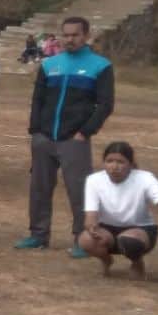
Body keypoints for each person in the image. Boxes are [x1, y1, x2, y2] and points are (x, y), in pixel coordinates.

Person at [17, 16, 115, 256]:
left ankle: (82, 238)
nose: (70, 39)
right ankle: (38, 235)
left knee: (79, 189)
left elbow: (105, 105)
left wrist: (84, 132)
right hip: (44, 138)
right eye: (66, 35)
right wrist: (36, 131)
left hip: (74, 139)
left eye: (75, 35)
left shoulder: (100, 66)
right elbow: (38, 100)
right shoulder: (50, 64)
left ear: (86, 36)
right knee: (39, 187)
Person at [77, 141, 158, 279]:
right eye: (109, 161)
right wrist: (91, 227)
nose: (114, 167)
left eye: (120, 162)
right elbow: (90, 214)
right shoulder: (93, 180)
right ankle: (106, 260)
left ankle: (137, 262)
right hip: (107, 229)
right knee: (85, 240)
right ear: (103, 163)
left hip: (140, 229)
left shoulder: (145, 178)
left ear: (131, 164)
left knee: (129, 241)